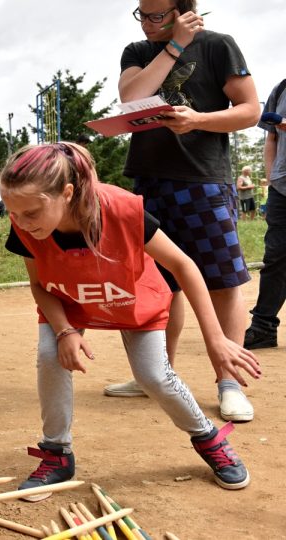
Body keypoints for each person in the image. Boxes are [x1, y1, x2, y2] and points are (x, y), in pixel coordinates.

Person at [0, 142, 261, 500]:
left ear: (67, 192)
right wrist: (63, 332)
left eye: (31, 212)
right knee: (49, 356)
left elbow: (184, 266)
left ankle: (208, 437)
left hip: (132, 295)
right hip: (66, 299)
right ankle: (57, 454)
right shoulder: (25, 224)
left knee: (153, 374)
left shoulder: (121, 210)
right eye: (14, 213)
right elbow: (38, 285)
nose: (23, 224)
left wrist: (215, 339)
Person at [106, 0, 261, 424]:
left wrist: (198, 120)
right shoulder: (139, 52)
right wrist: (173, 45)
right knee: (158, 283)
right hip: (149, 181)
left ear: (184, 10)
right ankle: (157, 375)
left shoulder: (218, 46)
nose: (148, 23)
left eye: (157, 14)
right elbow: (131, 97)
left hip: (204, 180)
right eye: (142, 14)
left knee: (223, 282)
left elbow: (251, 110)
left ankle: (228, 382)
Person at [244, 82, 286, 350]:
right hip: (282, 188)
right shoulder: (282, 88)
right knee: (276, 256)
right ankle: (263, 328)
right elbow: (271, 138)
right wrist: (272, 178)